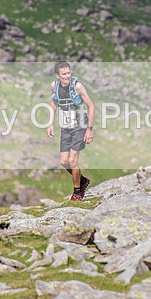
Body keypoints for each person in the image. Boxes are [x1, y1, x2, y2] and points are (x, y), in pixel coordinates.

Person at [47, 61, 95, 201]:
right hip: (66, 128)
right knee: (64, 161)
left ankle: (77, 192)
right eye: (64, 74)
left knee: (73, 160)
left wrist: (89, 130)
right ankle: (83, 180)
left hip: (80, 127)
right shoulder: (54, 86)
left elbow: (91, 106)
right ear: (57, 75)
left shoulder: (77, 86)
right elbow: (53, 102)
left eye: (69, 73)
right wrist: (50, 124)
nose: (67, 76)